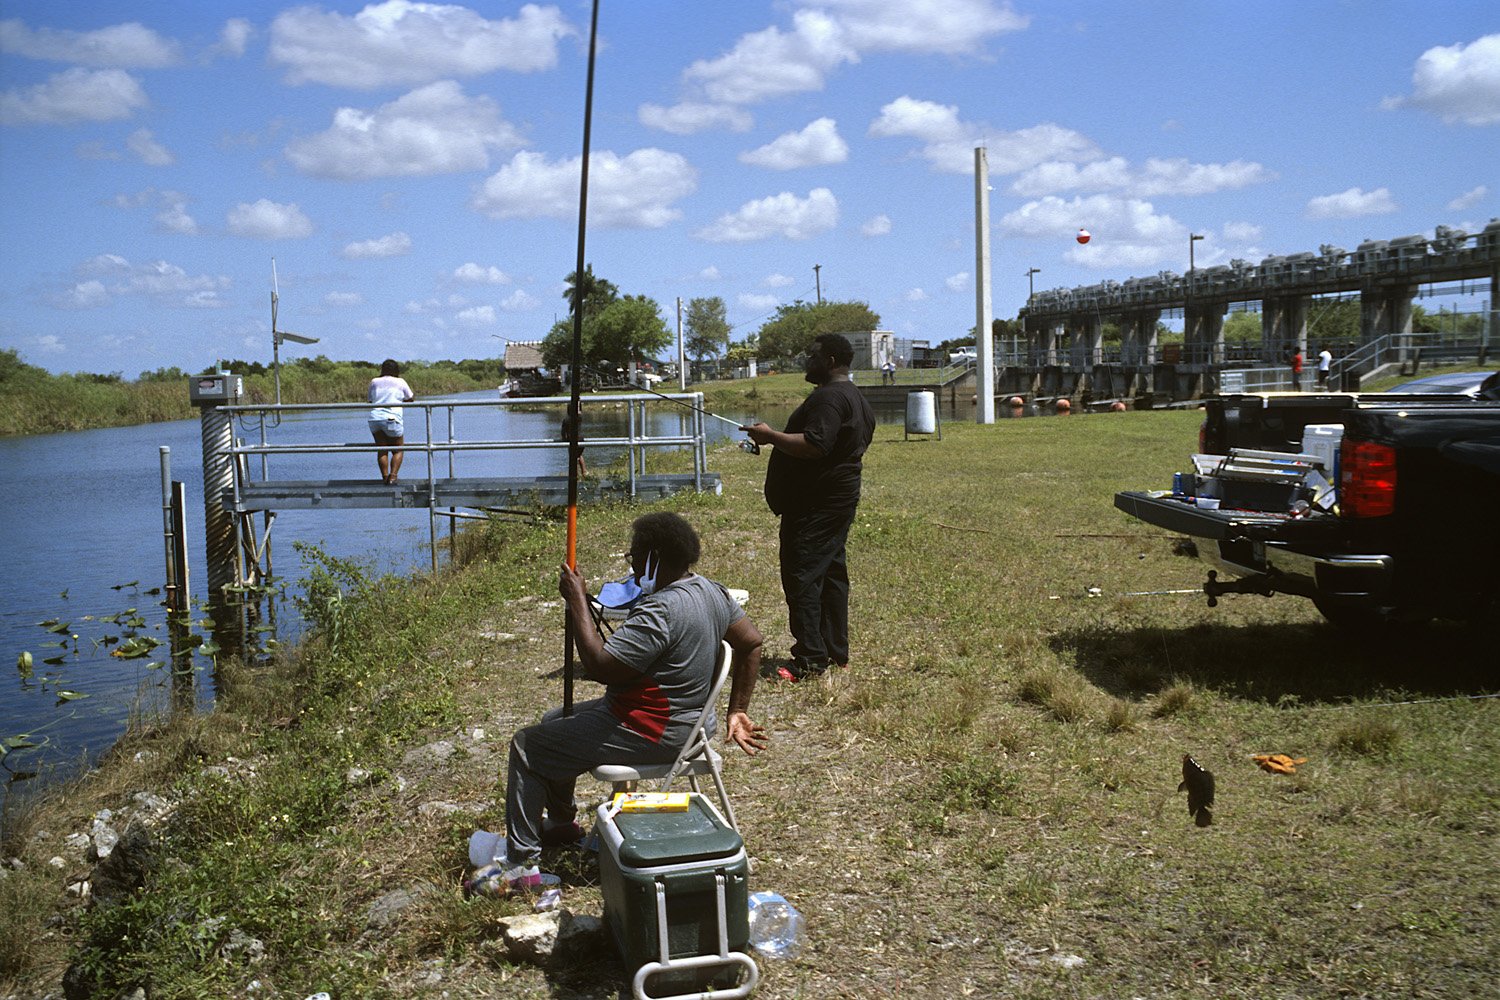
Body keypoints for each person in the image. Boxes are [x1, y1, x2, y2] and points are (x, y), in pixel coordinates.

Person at [491, 512, 767, 891]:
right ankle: (560, 823)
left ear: (654, 556)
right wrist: (737, 709)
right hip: (691, 727)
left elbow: (601, 666)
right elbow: (751, 641)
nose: (632, 564)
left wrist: (577, 602)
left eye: (635, 554)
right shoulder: (712, 591)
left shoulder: (661, 610)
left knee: (527, 746)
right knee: (555, 718)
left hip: (654, 729)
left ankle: (521, 867)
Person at [742, 333, 875, 681]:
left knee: (802, 575)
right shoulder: (854, 396)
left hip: (816, 505)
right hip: (836, 501)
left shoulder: (829, 399)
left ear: (830, 360)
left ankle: (811, 659)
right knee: (831, 575)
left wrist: (771, 436)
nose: (806, 361)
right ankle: (835, 652)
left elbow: (816, 445)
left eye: (812, 355)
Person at [367, 359, 414, 484]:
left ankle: (384, 477)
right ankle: (393, 477)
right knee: (398, 449)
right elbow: (410, 398)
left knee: (382, 449)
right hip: (392, 418)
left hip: (375, 418)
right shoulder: (400, 381)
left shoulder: (374, 381)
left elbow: (370, 400)